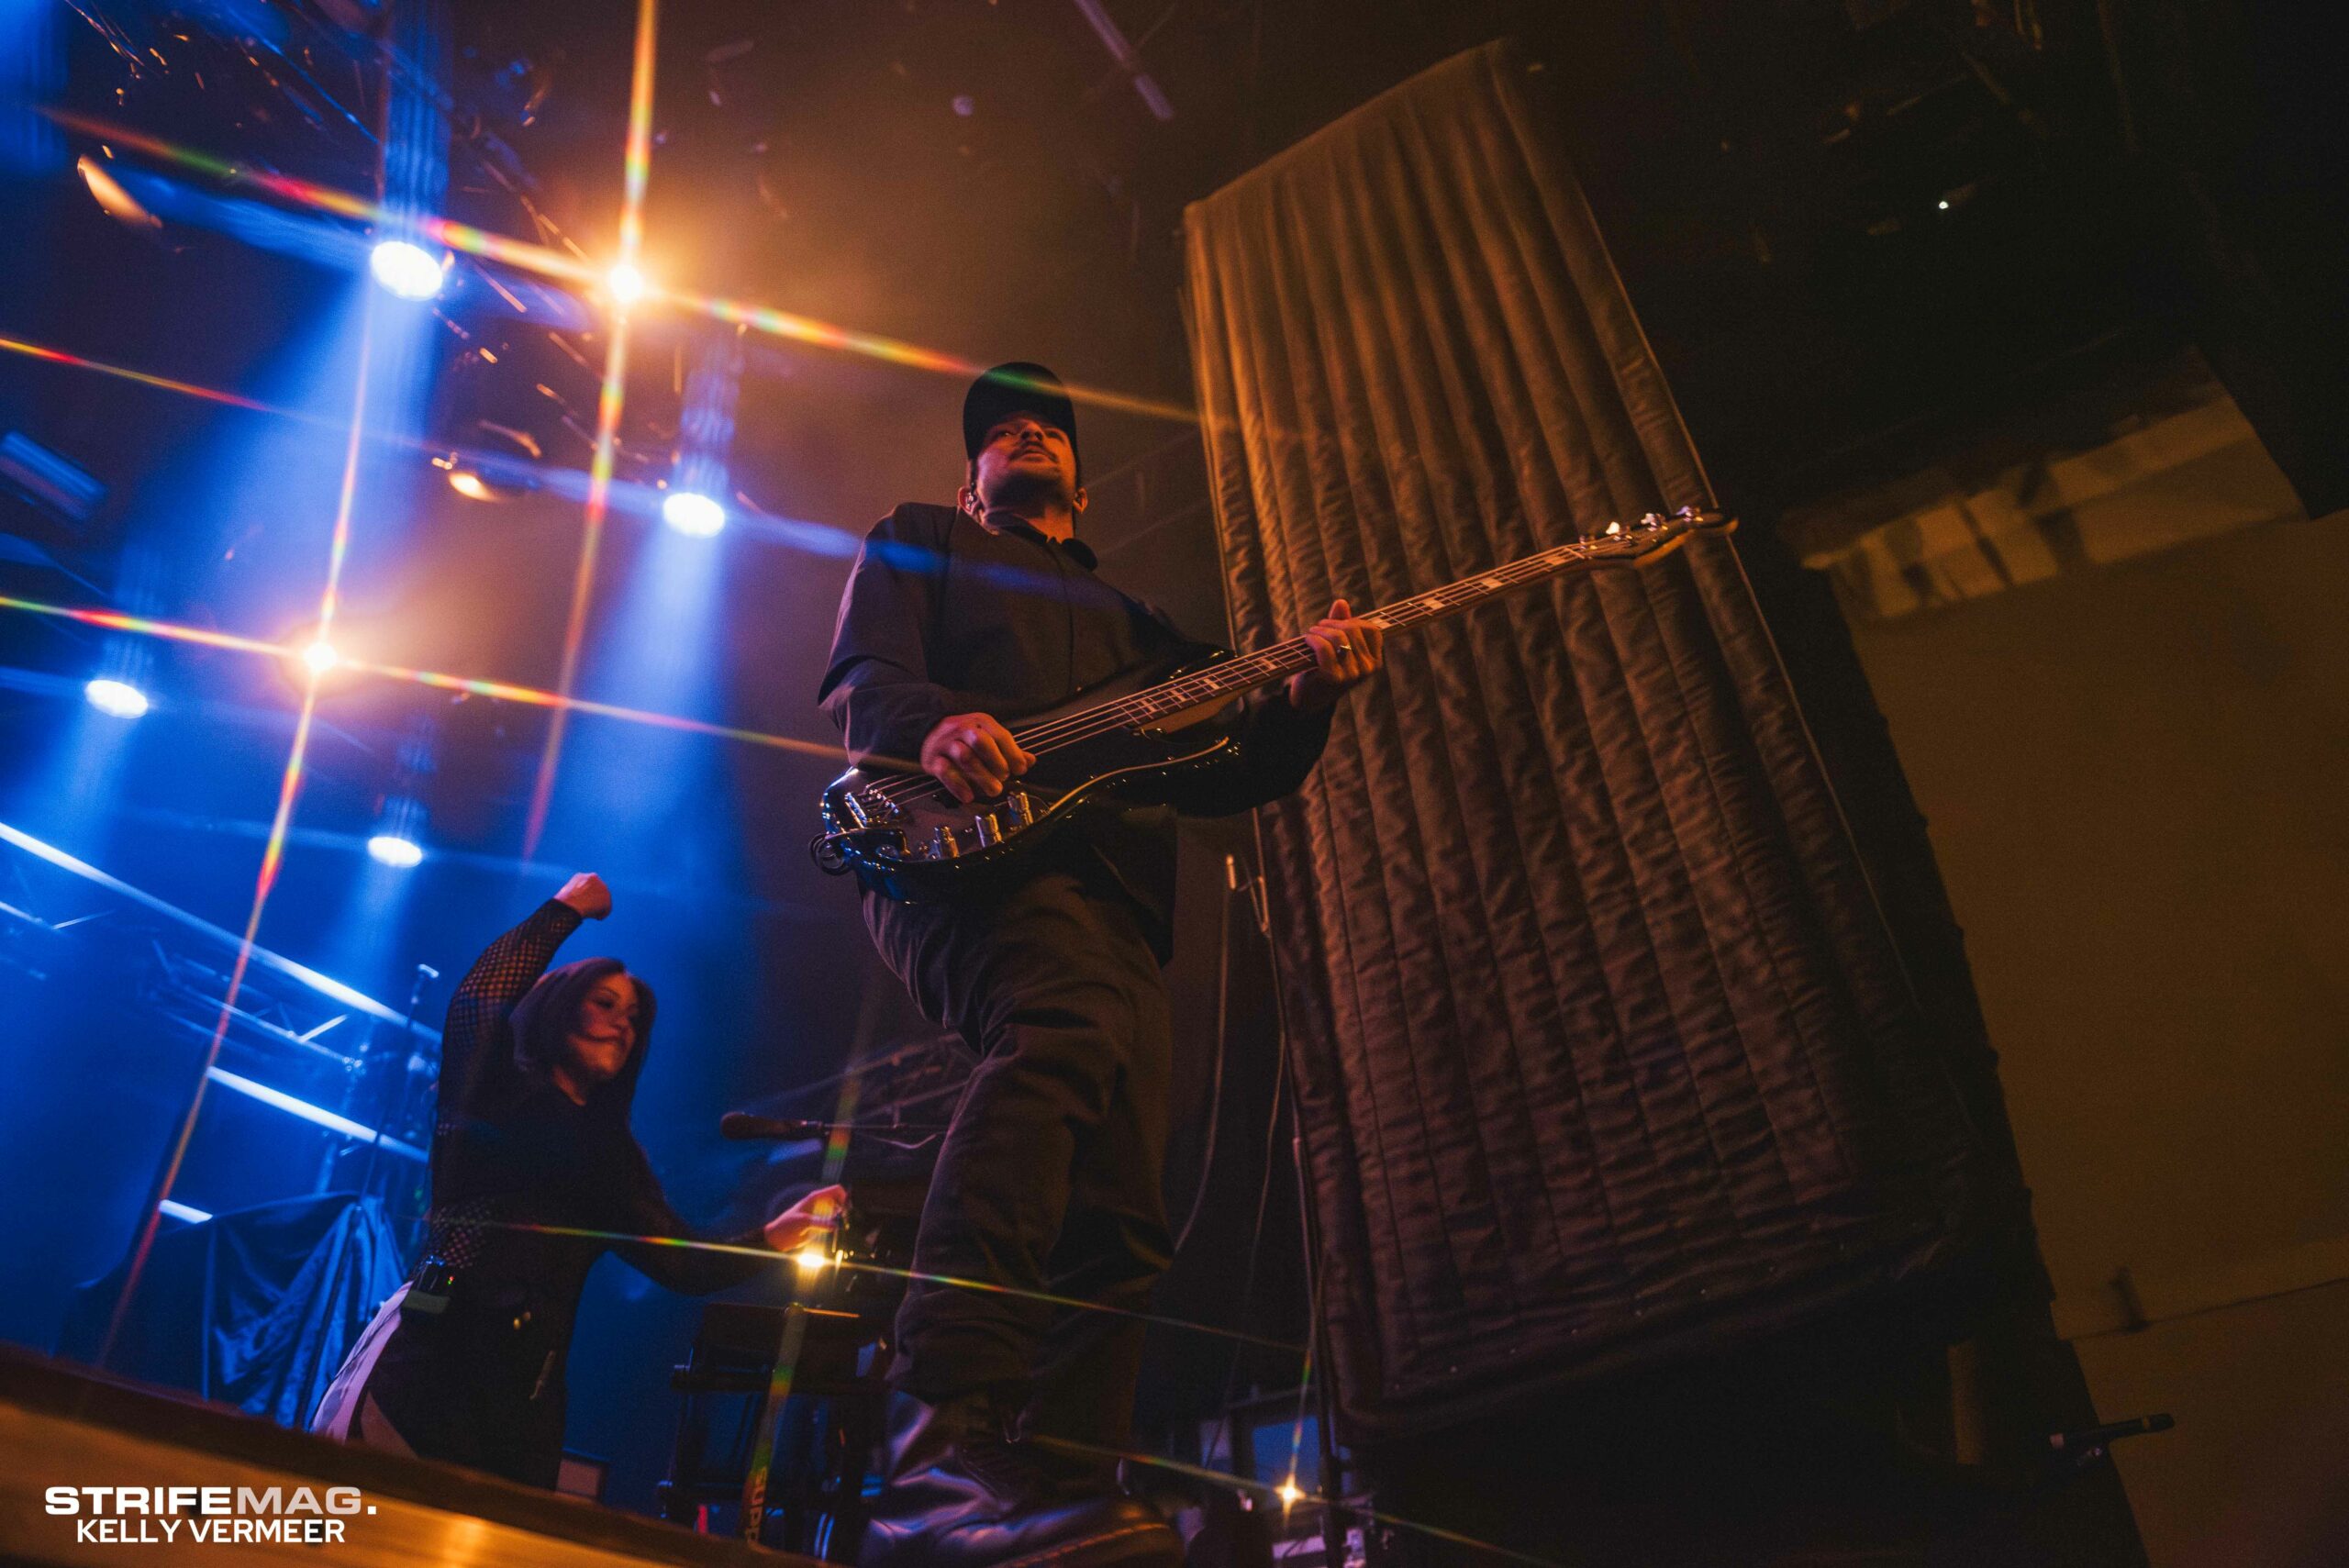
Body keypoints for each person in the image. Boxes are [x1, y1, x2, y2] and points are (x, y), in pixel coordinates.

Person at [818, 363, 1383, 1567]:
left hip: (1124, 914)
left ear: (1082, 475)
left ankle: (1057, 1500)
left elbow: (1234, 774)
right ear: (969, 482)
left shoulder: (1144, 634)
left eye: (1051, 426)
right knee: (1058, 1025)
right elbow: (866, 685)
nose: (1026, 429)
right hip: (956, 856)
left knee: (1126, 1207)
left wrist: (1305, 697)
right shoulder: (918, 539)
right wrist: (936, 725)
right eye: (998, 429)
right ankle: (932, 1447)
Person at [311, 872, 844, 1488]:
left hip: (524, 1406)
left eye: (635, 1016)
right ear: (561, 1008)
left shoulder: (608, 1153)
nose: (624, 1024)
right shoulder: (494, 1094)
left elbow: (681, 1261)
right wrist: (564, 910)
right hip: (428, 1368)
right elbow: (477, 1002)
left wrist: (776, 1234)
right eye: (606, 1003)